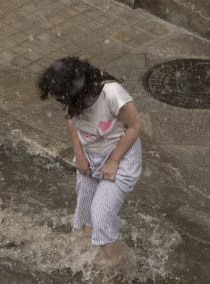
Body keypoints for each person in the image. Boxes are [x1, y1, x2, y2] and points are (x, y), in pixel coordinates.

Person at [38, 57, 143, 272]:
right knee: (85, 214)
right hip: (89, 155)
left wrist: (113, 161)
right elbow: (72, 121)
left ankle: (113, 272)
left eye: (63, 98)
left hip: (120, 157)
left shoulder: (111, 94)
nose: (62, 103)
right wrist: (79, 153)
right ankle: (95, 254)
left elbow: (135, 126)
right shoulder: (72, 99)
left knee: (101, 213)